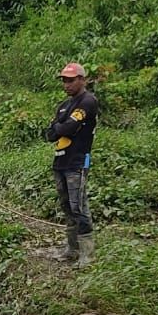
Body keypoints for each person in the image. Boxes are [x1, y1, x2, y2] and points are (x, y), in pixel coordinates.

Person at [44, 61, 99, 267]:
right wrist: (62, 127)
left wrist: (62, 127)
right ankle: (71, 248)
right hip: (60, 161)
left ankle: (87, 254)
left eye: (70, 80)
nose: (66, 84)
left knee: (79, 206)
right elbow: (50, 133)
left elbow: (68, 127)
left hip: (77, 161)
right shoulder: (63, 105)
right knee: (66, 206)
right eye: (64, 80)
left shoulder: (88, 101)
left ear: (82, 80)